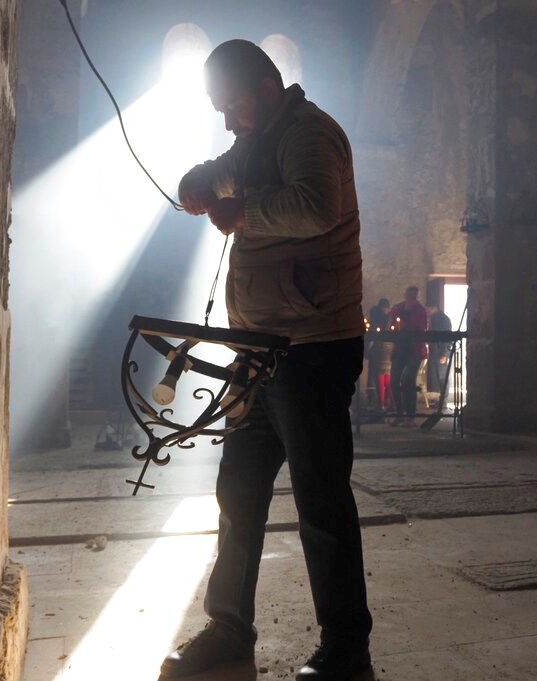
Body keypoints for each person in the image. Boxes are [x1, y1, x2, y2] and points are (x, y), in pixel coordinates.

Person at [165, 39, 373, 681]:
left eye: (232, 104)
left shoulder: (311, 134)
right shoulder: (256, 142)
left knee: (321, 501)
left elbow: (315, 207)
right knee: (239, 491)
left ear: (264, 84)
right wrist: (198, 184)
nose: (228, 119)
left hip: (311, 347)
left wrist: (242, 213)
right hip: (260, 349)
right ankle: (230, 629)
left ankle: (346, 651)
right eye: (219, 110)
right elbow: (221, 171)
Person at [388, 286, 428, 427]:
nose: (410, 299)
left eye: (413, 297)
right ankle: (400, 414)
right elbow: (392, 326)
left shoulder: (420, 311)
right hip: (400, 349)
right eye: (408, 296)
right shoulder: (398, 308)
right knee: (394, 382)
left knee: (408, 380)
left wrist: (408, 327)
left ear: (416, 297)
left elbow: (422, 329)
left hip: (414, 350)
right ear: (405, 295)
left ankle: (410, 417)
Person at [365, 298, 391, 411]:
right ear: (384, 308)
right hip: (381, 351)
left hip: (374, 351)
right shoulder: (383, 318)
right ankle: (382, 401)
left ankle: (374, 400)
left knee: (374, 375)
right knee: (381, 377)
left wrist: (367, 351)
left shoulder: (373, 317)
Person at [425, 303, 452, 407]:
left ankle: (443, 401)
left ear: (434, 307)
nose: (427, 311)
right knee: (436, 376)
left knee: (442, 376)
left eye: (428, 309)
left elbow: (447, 337)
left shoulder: (444, 320)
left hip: (441, 351)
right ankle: (439, 400)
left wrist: (445, 354)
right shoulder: (433, 319)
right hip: (434, 351)